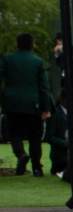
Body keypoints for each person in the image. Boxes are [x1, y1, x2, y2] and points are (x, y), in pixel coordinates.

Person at [1, 32, 52, 176]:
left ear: (17, 44)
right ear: (32, 44)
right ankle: (37, 167)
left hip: (12, 103)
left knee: (14, 133)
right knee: (34, 137)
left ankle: (21, 154)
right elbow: (44, 87)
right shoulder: (38, 61)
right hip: (33, 103)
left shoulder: (7, 59)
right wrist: (46, 107)